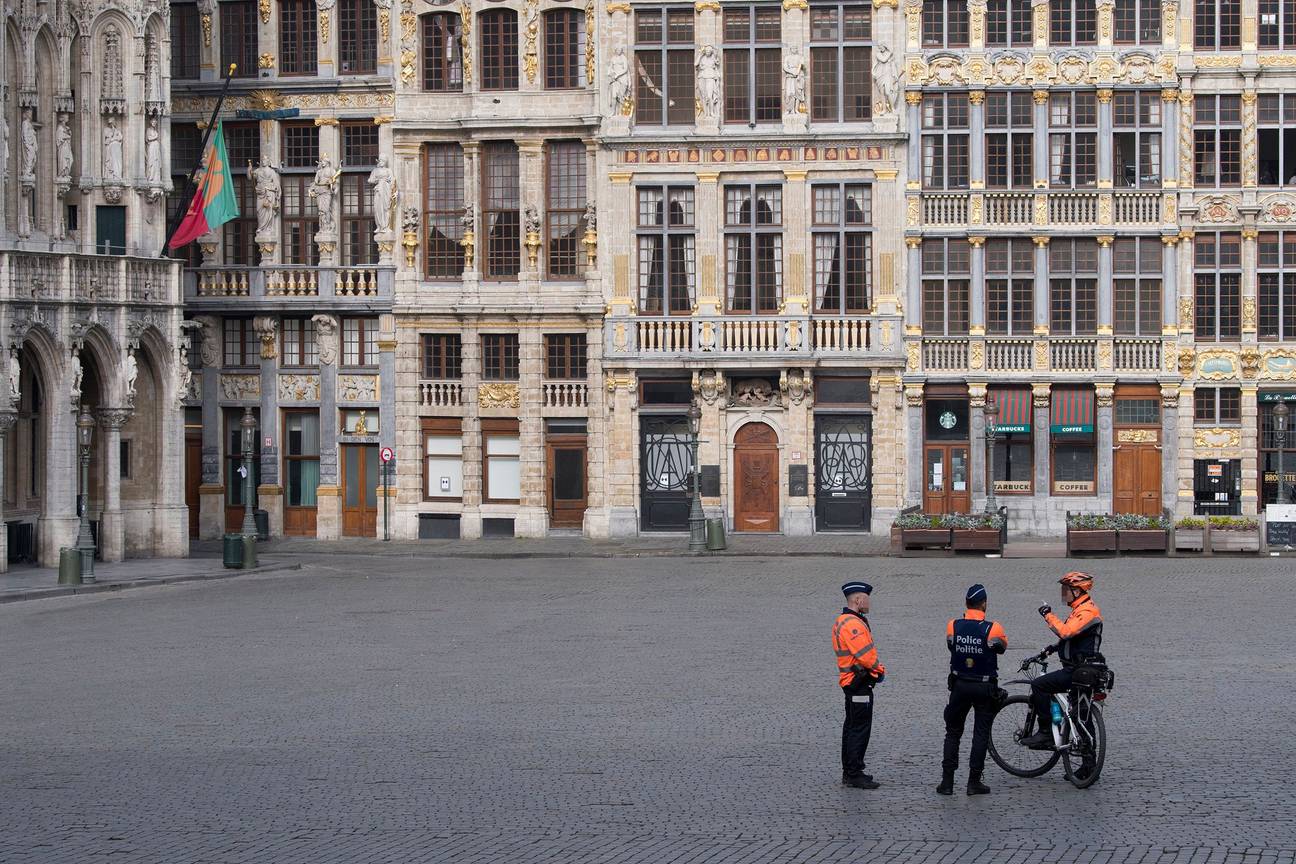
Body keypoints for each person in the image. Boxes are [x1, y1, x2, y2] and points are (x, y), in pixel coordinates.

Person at [937, 584, 1007, 796]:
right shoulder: (993, 628)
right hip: (984, 686)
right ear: (984, 604)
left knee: (953, 732)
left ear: (966, 603)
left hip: (959, 685)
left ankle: (947, 782)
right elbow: (1001, 648)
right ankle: (974, 782)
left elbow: (951, 646)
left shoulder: (953, 625)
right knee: (980, 734)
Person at [1020, 571, 1103, 749]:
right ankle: (1088, 767)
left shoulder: (1087, 611)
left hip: (1078, 670)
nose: (1063, 593)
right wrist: (1051, 649)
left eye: (1066, 589)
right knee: (1080, 714)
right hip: (1080, 669)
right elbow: (1072, 638)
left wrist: (1048, 615)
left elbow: (1066, 632)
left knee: (1039, 685)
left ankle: (1045, 734)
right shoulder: (1079, 611)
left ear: (1078, 591)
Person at [833, 581, 885, 789]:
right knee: (859, 728)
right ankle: (854, 773)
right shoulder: (853, 624)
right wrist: (879, 671)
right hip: (859, 684)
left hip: (852, 683)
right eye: (867, 598)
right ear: (857, 599)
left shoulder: (844, 620)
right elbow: (866, 656)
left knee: (852, 726)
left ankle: (851, 770)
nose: (869, 602)